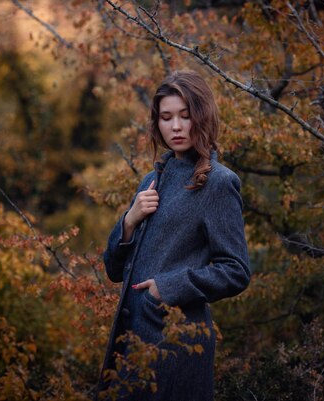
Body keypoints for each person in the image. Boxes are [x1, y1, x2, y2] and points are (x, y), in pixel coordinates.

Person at [96, 70, 252, 401]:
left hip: (176, 343)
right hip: (131, 344)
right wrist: (129, 220)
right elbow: (112, 270)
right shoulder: (151, 182)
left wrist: (165, 290)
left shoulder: (219, 183)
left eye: (185, 116)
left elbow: (236, 270)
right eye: (167, 118)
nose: (176, 127)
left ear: (203, 117)